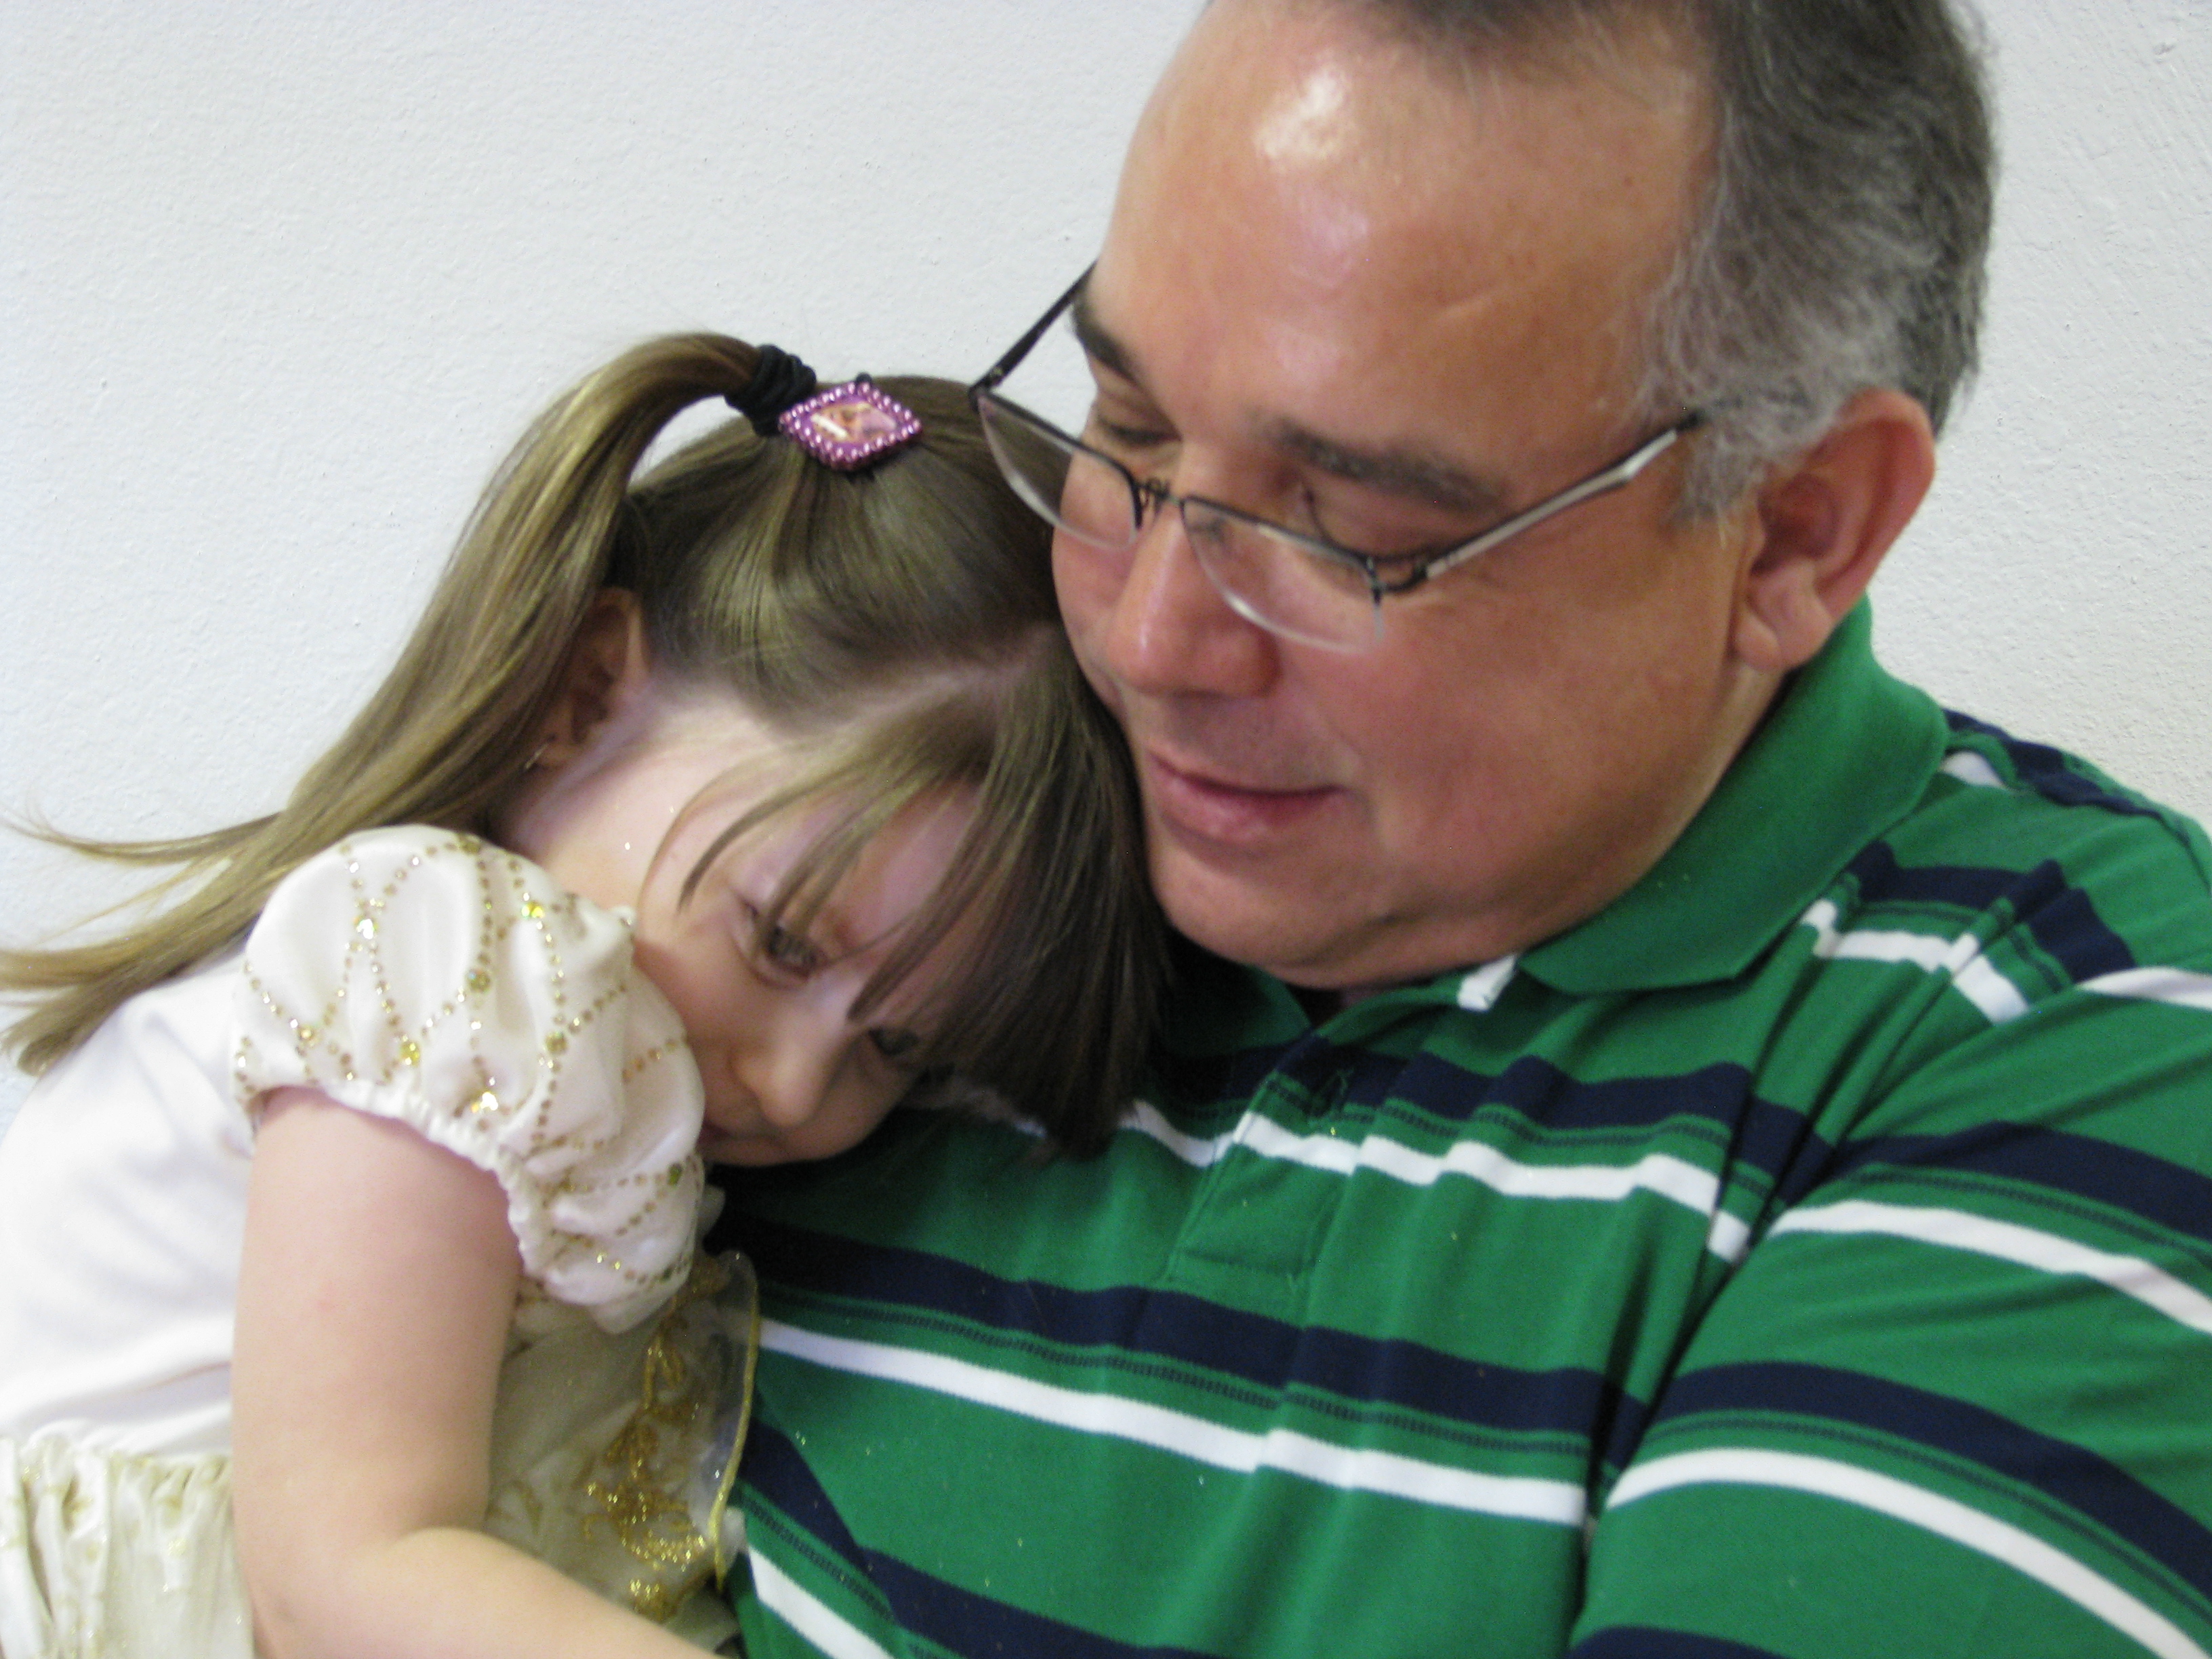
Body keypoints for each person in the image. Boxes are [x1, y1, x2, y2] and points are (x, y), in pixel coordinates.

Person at [712, 1, 2212, 1655]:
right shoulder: (932, 847)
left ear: (1798, 526)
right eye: (1127, 430)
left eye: (1349, 530)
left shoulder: (2084, 1032)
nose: (1150, 643)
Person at [0, 337, 1162, 1657]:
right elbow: (340, 1584)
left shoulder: (612, 1099)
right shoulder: (448, 961)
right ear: (585, 691)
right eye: (783, 940)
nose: (798, 1088)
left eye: (895, 1041)